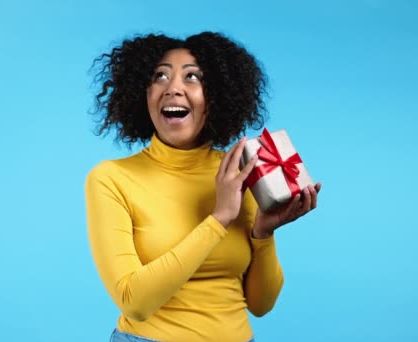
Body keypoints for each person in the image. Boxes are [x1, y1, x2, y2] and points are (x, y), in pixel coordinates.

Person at [85, 31, 322, 342]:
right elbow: (134, 301)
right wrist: (219, 218)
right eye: (160, 76)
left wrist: (263, 234)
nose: (173, 88)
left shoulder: (240, 171)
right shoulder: (111, 179)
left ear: (216, 96)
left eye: (192, 77)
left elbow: (261, 305)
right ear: (142, 94)